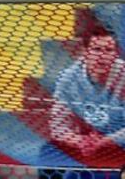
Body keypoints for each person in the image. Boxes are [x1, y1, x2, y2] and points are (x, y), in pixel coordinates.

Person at [44, 30, 125, 179]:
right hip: (84, 143)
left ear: (116, 54)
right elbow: (58, 125)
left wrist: (105, 141)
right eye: (96, 49)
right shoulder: (68, 78)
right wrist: (79, 141)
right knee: (46, 152)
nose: (102, 56)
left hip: (120, 142)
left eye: (108, 50)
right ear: (85, 52)